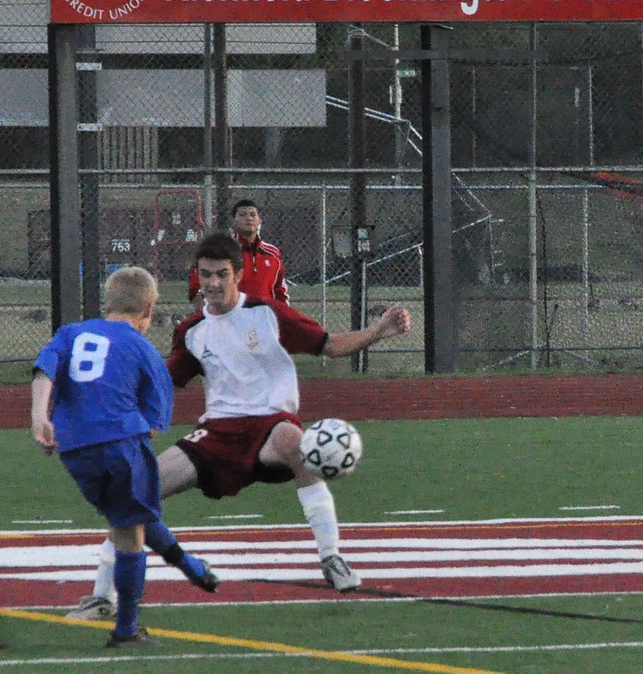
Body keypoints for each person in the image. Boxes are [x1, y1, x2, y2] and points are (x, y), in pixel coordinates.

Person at [72, 232, 412, 615]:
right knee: (134, 492)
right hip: (216, 435)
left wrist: (379, 332)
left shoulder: (269, 314)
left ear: (237, 275)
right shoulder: (192, 331)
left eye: (221, 274)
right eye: (205, 275)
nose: (213, 284)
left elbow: (329, 345)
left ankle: (332, 557)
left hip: (269, 426)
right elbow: (167, 385)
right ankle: (103, 596)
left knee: (295, 443)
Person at [31, 266, 218, 648]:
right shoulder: (143, 349)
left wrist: (40, 417)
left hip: (74, 449)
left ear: (107, 303)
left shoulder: (71, 333)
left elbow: (44, 371)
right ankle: (127, 628)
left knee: (127, 516)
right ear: (148, 310)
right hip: (120, 442)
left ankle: (191, 566)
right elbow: (153, 420)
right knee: (130, 531)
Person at [188, 199, 289, 310]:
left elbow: (280, 291)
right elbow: (197, 286)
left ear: (259, 220)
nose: (249, 218)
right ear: (233, 221)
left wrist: (284, 318)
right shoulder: (221, 249)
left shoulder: (272, 253)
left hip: (263, 319)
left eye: (252, 215)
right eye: (242, 215)